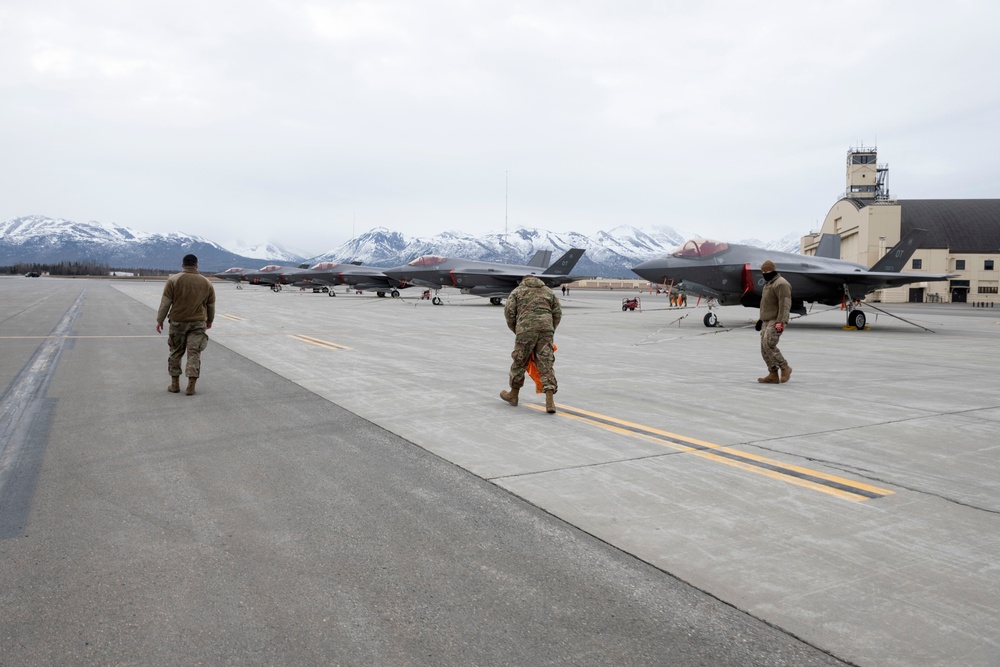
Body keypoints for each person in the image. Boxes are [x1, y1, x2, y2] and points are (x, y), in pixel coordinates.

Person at [500, 275, 562, 413]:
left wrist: (517, 329)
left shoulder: (517, 291)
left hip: (525, 329)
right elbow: (557, 313)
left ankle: (513, 395)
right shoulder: (548, 291)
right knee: (546, 363)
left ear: (524, 281)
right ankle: (550, 401)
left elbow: (509, 313)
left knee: (519, 361)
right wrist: (549, 329)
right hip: (546, 330)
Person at [156, 254, 216, 395]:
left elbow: (166, 302)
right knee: (194, 353)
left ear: (182, 265)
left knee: (176, 352)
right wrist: (210, 320)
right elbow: (210, 305)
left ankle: (175, 384)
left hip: (178, 322)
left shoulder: (173, 280)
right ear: (196, 265)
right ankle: (191, 386)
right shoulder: (206, 283)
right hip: (198, 323)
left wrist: (160, 320)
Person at [755, 259, 792, 384]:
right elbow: (767, 304)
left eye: (767, 271)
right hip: (767, 319)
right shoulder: (768, 284)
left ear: (773, 270)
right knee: (763, 348)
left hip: (776, 319)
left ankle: (785, 367)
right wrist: (760, 319)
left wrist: (781, 322)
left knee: (769, 344)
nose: (765, 273)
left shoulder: (781, 284)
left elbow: (785, 304)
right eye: (763, 272)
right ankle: (773, 373)